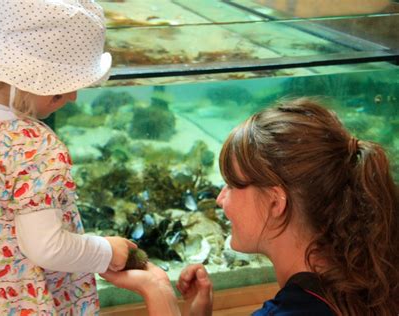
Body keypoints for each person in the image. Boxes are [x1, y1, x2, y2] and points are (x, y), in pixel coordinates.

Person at [0, 0, 136, 314]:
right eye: (61, 88)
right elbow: (47, 248)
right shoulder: (33, 146)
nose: (74, 96)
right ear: (27, 80)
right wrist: (107, 251)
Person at [101, 98, 399, 315]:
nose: (219, 199)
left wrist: (159, 292)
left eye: (231, 185)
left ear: (275, 201)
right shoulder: (365, 279)